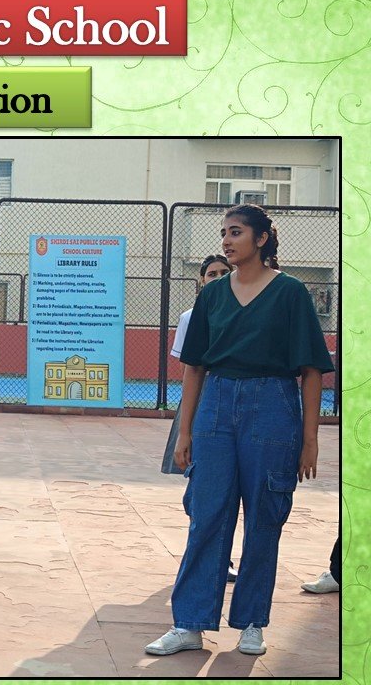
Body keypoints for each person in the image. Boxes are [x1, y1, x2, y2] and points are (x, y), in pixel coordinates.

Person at [145, 204, 334, 657]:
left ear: (261, 239)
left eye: (236, 232)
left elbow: (311, 371)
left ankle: (251, 622)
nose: (227, 241)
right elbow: (194, 368)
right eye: (224, 233)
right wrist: (185, 432)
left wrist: (309, 440)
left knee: (265, 517)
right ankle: (189, 623)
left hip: (273, 407)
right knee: (207, 515)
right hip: (216, 406)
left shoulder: (291, 293)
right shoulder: (212, 296)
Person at [163, 254, 239, 583]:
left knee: (226, 486)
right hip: (201, 401)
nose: (218, 277)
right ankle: (203, 550)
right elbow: (190, 369)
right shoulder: (191, 317)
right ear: (202, 280)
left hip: (232, 401)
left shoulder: (244, 310)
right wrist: (187, 426)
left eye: (224, 272)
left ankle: (219, 556)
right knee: (198, 486)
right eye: (212, 273)